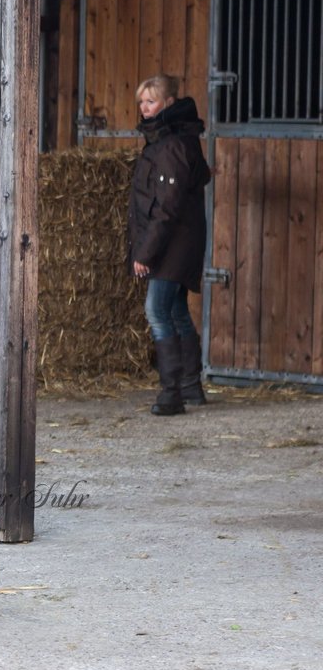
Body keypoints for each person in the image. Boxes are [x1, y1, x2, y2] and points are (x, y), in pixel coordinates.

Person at [126, 74, 211, 416]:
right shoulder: (173, 139)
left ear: (169, 103)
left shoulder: (171, 145)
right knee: (176, 311)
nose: (145, 109)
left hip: (170, 246)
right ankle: (191, 387)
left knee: (157, 311)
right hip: (178, 242)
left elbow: (166, 206)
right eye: (142, 102)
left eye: (151, 101)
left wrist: (144, 253)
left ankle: (171, 393)